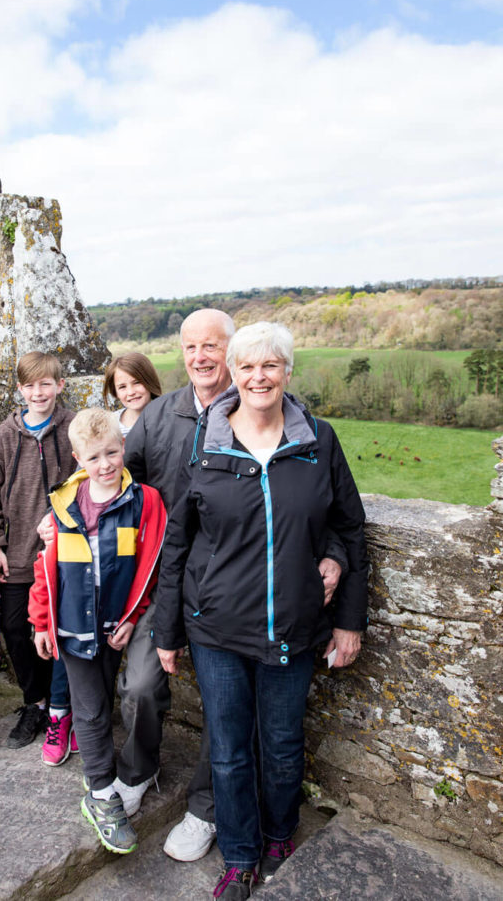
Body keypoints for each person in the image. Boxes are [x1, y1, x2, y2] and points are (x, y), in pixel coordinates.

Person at [154, 322, 368, 900]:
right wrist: (166, 631)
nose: (258, 377)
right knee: (227, 750)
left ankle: (279, 837)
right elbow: (177, 542)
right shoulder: (205, 442)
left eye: (270, 366)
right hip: (217, 630)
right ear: (234, 373)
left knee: (280, 745)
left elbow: (347, 527)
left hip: (292, 628)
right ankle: (241, 856)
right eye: (247, 367)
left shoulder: (318, 440)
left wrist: (349, 620)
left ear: (288, 372)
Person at [122, 307, 235, 859]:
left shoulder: (260, 413)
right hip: (162, 582)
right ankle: (139, 770)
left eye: (211, 347)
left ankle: (205, 810)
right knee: (140, 685)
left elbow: (311, 497)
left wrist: (331, 554)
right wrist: (66, 510)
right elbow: (119, 482)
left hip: (229, 583)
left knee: (223, 701)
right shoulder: (160, 414)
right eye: (191, 348)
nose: (200, 358)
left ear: (231, 352)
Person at [29, 408, 166, 855]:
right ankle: (101, 792)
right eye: (94, 457)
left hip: (117, 621)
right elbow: (46, 571)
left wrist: (131, 618)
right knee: (88, 709)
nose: (105, 464)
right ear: (77, 458)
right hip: (73, 626)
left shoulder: (145, 502)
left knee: (119, 695)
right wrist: (41, 622)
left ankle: (122, 769)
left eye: (112, 452)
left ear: (123, 447)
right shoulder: (62, 507)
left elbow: (148, 568)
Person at [0, 351, 77, 759]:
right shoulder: (3, 435)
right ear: (19, 389)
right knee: (15, 628)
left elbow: (86, 478)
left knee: (58, 631)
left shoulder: (73, 427)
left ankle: (62, 710)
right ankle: (35, 703)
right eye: (30, 385)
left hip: (62, 551)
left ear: (60, 385)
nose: (39, 392)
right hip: (17, 551)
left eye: (46, 383)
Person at [103, 352, 162, 436]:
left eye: (137, 382)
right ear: (115, 392)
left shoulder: (168, 419)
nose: (131, 392)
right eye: (122, 387)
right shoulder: (109, 426)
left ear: (149, 381)